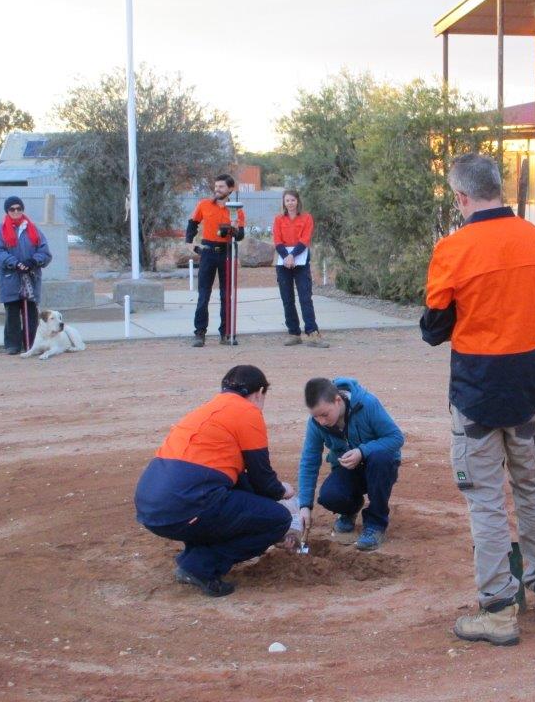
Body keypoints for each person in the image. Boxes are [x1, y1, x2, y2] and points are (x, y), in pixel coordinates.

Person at [421, 152, 535, 647]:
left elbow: (434, 330)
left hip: (477, 387)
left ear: (462, 197)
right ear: (497, 188)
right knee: (530, 485)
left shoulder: (453, 249)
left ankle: (499, 607)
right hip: (527, 383)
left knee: (484, 497)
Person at [134, 365, 293, 597]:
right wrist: (282, 493)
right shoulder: (248, 412)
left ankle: (193, 558)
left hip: (151, 505)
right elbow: (263, 480)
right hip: (184, 505)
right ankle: (198, 567)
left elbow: (241, 481)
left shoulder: (206, 410)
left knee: (225, 503)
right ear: (259, 392)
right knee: (278, 519)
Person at [296, 377, 403, 552]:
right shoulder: (316, 423)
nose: (321, 421)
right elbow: (309, 460)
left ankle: (376, 524)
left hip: (378, 466)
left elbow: (396, 438)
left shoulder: (367, 403)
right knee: (329, 496)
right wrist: (305, 506)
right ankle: (350, 510)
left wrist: (363, 451)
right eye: (315, 416)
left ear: (338, 400)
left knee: (381, 458)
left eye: (325, 414)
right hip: (347, 468)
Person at [186, 174, 245, 347]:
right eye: (216, 186)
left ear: (230, 189)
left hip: (227, 252)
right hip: (208, 252)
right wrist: (190, 243)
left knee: (226, 295)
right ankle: (199, 333)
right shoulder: (204, 204)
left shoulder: (237, 209)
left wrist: (234, 229)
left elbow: (240, 235)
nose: (217, 189)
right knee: (203, 294)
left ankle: (226, 333)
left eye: (221, 187)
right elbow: (192, 223)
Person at [0, 196, 52, 355]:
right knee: (12, 313)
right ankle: (13, 345)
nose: (16, 211)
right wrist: (15, 263)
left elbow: (45, 252)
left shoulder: (33, 229)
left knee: (31, 312)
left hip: (31, 277)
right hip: (10, 278)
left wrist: (33, 262)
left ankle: (31, 343)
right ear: (7, 211)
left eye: (19, 208)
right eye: (12, 209)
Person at [272, 190, 329, 348]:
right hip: (283, 262)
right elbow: (277, 240)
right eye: (287, 200)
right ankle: (293, 332)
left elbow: (305, 239)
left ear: (297, 201)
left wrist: (293, 255)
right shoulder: (278, 219)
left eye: (292, 200)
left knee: (305, 297)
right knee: (287, 298)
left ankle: (312, 332)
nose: (290, 203)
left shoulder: (306, 217)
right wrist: (286, 256)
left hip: (301, 260)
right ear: (284, 203)